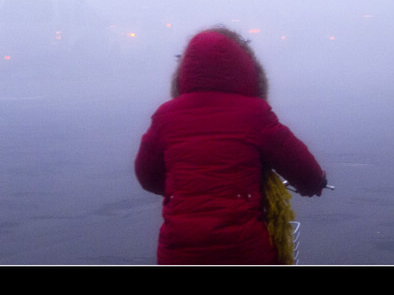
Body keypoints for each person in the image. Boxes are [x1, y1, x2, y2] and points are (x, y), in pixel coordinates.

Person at [134, 27, 328, 265]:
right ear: (248, 71)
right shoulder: (255, 114)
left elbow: (147, 176)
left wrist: (187, 189)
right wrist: (315, 183)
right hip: (243, 252)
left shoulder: (166, 117)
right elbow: (301, 167)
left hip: (179, 252)